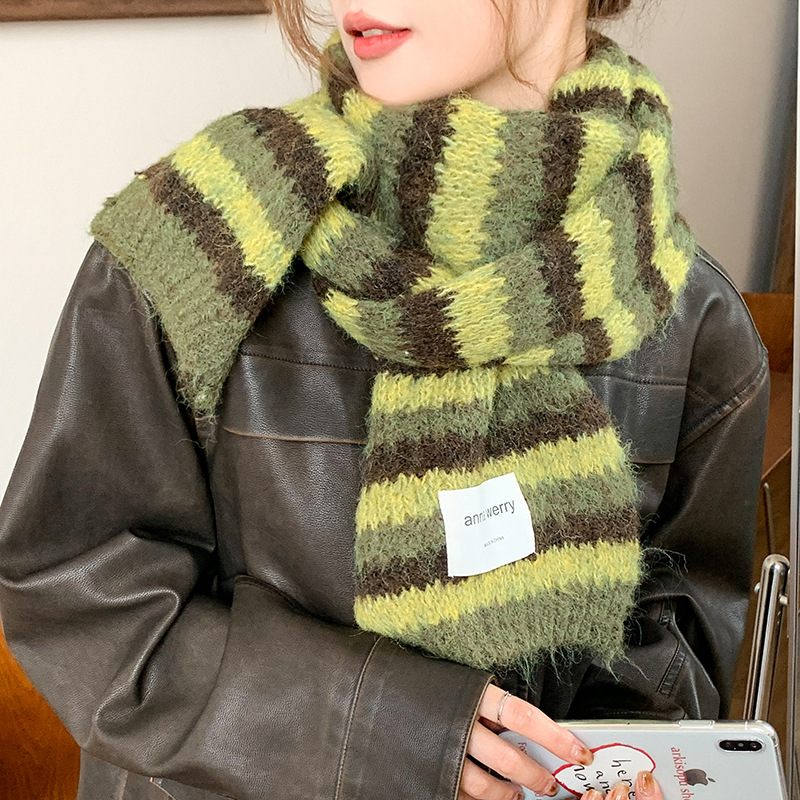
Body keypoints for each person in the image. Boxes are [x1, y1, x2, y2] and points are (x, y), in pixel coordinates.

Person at [0, 0, 768, 799]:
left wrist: (601, 768)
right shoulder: (203, 239)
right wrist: (391, 730)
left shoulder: (694, 321)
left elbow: (672, 655)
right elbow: (75, 595)